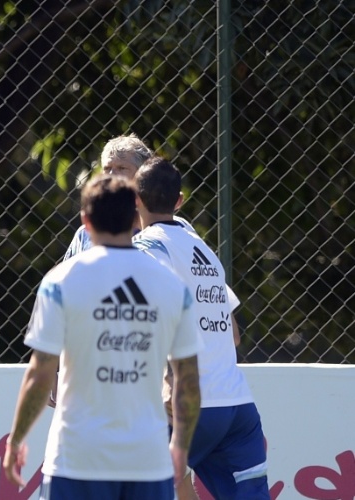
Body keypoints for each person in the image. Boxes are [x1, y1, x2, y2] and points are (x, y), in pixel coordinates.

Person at [3, 174, 202, 499]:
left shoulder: (60, 281)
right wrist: (180, 446)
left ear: (85, 221)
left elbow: (39, 375)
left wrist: (17, 440)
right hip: (147, 461)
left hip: (76, 459)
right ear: (136, 214)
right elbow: (190, 382)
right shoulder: (171, 286)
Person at [133, 156, 269, 499]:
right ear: (179, 202)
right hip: (237, 405)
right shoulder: (204, 250)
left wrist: (168, 379)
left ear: (134, 200)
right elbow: (233, 334)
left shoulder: (147, 246)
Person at [63, 133, 195, 260]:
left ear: (143, 175)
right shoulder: (86, 233)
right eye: (107, 168)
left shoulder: (169, 231)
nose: (112, 175)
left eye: (122, 168)